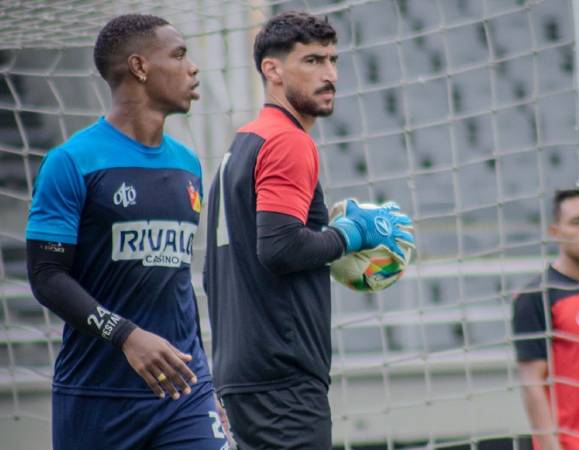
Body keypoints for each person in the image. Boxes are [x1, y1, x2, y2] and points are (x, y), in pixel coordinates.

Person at [203, 10, 414, 449]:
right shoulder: (287, 140)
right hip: (282, 376)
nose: (330, 74)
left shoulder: (242, 143)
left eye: (333, 60)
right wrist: (353, 235)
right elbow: (279, 249)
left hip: (243, 369)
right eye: (313, 61)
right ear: (272, 70)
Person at [25, 14, 228, 450]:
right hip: (98, 398)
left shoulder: (187, 164)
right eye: (178, 55)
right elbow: (46, 275)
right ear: (139, 67)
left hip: (182, 395)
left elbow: (175, 286)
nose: (192, 68)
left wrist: (207, 386)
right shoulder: (71, 162)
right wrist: (126, 336)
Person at [512, 189, 579, 450]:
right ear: (555, 231)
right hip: (570, 444)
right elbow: (532, 381)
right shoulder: (537, 295)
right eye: (576, 222)